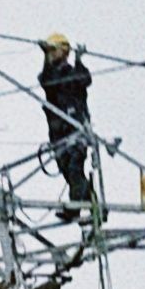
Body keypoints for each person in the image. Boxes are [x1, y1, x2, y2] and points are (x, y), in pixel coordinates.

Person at [38, 33, 96, 206]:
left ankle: (77, 205)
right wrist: (45, 56)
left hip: (76, 129)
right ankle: (89, 200)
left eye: (52, 50)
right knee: (65, 169)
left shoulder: (73, 73)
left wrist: (78, 60)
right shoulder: (50, 75)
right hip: (58, 133)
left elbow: (85, 80)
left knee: (74, 167)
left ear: (63, 51)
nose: (50, 55)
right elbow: (48, 81)